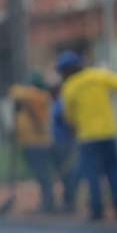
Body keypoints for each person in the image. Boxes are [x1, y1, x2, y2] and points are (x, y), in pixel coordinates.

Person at [57, 51, 117, 221]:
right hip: (108, 133)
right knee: (113, 171)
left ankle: (97, 210)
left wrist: (73, 128)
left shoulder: (70, 87)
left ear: (67, 71)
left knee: (92, 174)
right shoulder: (99, 76)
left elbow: (68, 116)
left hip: (87, 137)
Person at [9, 74, 55, 213]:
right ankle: (47, 201)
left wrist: (24, 91)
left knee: (43, 173)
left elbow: (14, 91)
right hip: (30, 142)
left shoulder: (40, 97)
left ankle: (48, 203)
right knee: (40, 173)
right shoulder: (32, 98)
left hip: (38, 143)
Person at [51, 83, 79, 212]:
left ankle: (70, 202)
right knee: (65, 172)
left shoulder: (61, 103)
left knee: (68, 172)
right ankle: (68, 202)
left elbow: (67, 119)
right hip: (61, 142)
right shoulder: (58, 103)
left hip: (64, 142)